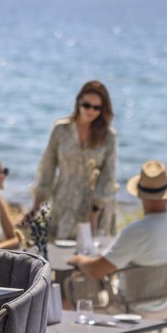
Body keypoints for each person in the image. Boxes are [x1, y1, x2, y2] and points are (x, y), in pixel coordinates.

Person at [68, 159, 167, 288]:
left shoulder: (137, 231)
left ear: (139, 195)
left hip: (131, 299)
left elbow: (95, 271)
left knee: (74, 285)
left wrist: (79, 260)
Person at [31, 79, 120, 242]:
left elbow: (108, 176)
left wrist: (94, 211)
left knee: (89, 252)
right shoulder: (61, 129)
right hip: (63, 200)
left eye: (97, 107)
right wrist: (37, 206)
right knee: (56, 250)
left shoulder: (108, 136)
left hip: (94, 206)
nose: (91, 111)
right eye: (87, 105)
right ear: (78, 102)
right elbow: (47, 168)